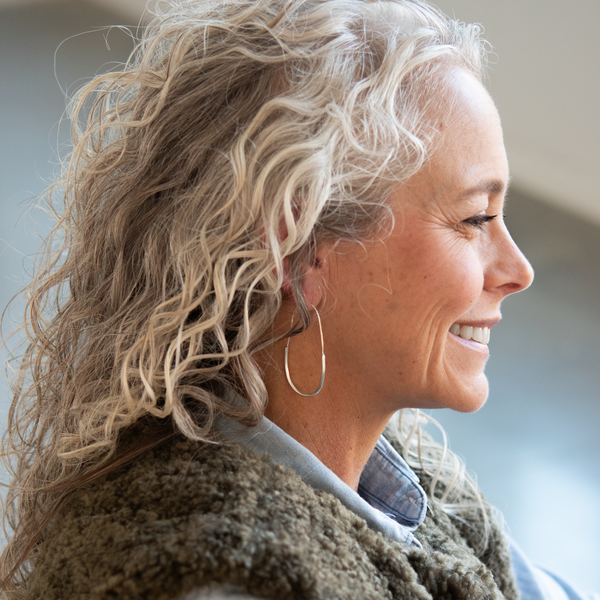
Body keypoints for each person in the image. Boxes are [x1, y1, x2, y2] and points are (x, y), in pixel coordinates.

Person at [0, 0, 596, 599]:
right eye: (474, 217)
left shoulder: (420, 493)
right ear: (297, 245)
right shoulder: (229, 575)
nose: (518, 270)